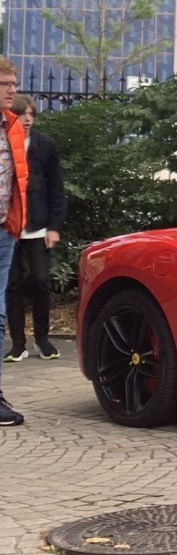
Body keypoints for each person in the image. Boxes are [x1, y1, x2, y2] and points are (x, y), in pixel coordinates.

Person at [5, 94, 65, 365]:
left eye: (31, 114)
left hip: (39, 227)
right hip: (10, 226)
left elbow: (56, 188)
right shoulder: (5, 143)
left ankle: (43, 338)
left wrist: (54, 226)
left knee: (40, 281)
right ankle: (18, 343)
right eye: (22, 114)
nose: (27, 119)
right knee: (12, 285)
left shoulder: (45, 145)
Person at [0, 59, 29, 426]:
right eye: (5, 83)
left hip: (3, 233)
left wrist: (14, 226)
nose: (12, 89)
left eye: (13, 83)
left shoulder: (13, 126)